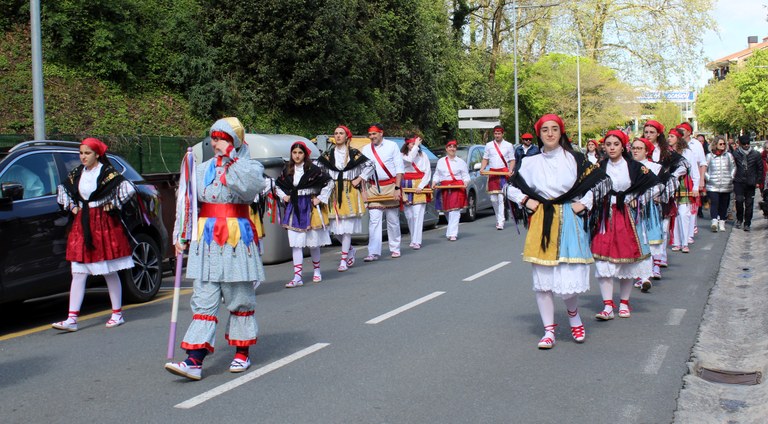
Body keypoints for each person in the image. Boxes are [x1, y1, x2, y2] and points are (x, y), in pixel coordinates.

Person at [165, 117, 265, 380]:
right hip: (206, 239)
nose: (215, 142)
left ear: (233, 141)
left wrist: (232, 160)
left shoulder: (248, 166)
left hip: (236, 237)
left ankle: (242, 352)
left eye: (221, 137)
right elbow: (186, 202)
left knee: (239, 296)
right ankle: (193, 360)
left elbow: (250, 189)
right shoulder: (202, 169)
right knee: (204, 298)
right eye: (214, 137)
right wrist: (181, 234)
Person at [505, 114, 609, 349]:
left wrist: (584, 203)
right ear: (539, 134)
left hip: (569, 219)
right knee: (543, 280)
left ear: (561, 132)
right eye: (545, 130)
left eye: (554, 129)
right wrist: (524, 199)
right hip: (543, 220)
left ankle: (574, 316)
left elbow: (601, 182)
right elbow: (509, 187)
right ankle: (548, 331)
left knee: (568, 274)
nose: (550, 134)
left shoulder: (576, 159)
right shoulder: (530, 162)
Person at [52, 138, 137, 332]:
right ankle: (72, 318)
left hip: (102, 223)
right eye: (81, 153)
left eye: (87, 153)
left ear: (97, 154)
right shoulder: (77, 173)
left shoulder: (107, 172)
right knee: (78, 271)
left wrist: (112, 204)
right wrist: (73, 208)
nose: (83, 157)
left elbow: (129, 188)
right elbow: (63, 189)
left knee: (108, 270)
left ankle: (117, 313)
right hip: (83, 223)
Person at [592, 130, 659, 319]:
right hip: (605, 216)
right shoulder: (599, 166)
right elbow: (587, 187)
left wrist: (639, 199)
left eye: (615, 144)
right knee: (603, 261)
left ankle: (624, 303)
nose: (612, 148)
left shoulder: (635, 167)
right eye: (608, 144)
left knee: (626, 262)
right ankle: (607, 306)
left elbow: (656, 185)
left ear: (623, 146)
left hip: (626, 216)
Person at [276, 141, 334, 287]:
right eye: (294, 153)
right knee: (296, 244)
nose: (297, 155)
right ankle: (297, 277)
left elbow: (329, 182)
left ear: (305, 154)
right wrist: (284, 196)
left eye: (300, 153)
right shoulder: (287, 170)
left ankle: (317, 271)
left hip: (309, 206)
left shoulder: (314, 170)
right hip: (294, 208)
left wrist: (320, 198)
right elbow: (277, 185)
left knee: (313, 243)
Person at [316, 125, 374, 271]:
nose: (338, 136)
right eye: (336, 133)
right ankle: (350, 250)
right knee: (334, 228)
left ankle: (343, 260)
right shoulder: (328, 154)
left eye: (341, 133)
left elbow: (371, 165)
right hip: (332, 191)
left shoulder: (353, 153)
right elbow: (317, 169)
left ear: (347, 136)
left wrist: (359, 178)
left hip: (349, 191)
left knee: (346, 227)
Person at [361, 123, 405, 261]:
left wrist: (397, 189)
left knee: (392, 219)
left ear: (381, 133)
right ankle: (373, 252)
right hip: (373, 187)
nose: (372, 136)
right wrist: (363, 191)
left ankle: (395, 247)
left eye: (374, 134)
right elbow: (362, 172)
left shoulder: (392, 146)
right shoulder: (365, 149)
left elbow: (399, 169)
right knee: (374, 220)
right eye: (370, 134)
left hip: (391, 185)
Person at [630, 137, 663, 291]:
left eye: (639, 148)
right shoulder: (627, 166)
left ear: (646, 151)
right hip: (630, 207)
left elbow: (659, 186)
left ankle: (645, 276)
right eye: (634, 147)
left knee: (647, 240)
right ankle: (639, 274)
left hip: (647, 207)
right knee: (635, 241)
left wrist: (642, 199)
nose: (635, 150)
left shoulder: (654, 168)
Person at [432, 140, 470, 241]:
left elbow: (465, 175)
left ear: (456, 149)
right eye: (450, 147)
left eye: (454, 147)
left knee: (455, 210)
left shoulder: (461, 162)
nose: (452, 149)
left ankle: (452, 233)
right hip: (443, 187)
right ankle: (451, 229)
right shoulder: (441, 161)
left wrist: (466, 182)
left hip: (456, 187)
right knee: (446, 211)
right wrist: (434, 182)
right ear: (446, 149)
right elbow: (437, 174)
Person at [668, 128, 698, 253]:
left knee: (684, 213)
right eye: (668, 136)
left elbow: (693, 170)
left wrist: (696, 186)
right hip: (670, 185)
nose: (669, 139)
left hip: (683, 184)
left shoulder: (687, 152)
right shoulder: (666, 152)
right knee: (673, 213)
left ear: (678, 138)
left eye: (672, 136)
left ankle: (685, 241)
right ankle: (676, 242)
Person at [480, 125, 515, 230]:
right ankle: (498, 218)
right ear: (493, 134)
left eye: (499, 133)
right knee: (493, 199)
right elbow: (485, 158)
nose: (497, 135)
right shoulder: (489, 145)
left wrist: (510, 171)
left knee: (500, 198)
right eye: (495, 133)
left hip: (503, 173)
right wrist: (482, 168)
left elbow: (512, 160)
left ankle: (501, 221)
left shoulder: (508, 145)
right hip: (493, 172)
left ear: (502, 134)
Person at [401, 133, 432, 249]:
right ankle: (413, 237)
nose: (415, 145)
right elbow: (409, 159)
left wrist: (422, 186)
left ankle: (416, 240)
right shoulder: (402, 155)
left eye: (416, 143)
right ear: (407, 144)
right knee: (409, 215)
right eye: (412, 144)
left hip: (420, 184)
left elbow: (428, 171)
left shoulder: (423, 155)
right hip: (407, 185)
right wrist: (415, 146)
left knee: (417, 214)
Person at [678, 123, 706, 241]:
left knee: (692, 207)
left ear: (689, 132)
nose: (681, 132)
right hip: (679, 180)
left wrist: (701, 180)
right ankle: (680, 235)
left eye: (683, 130)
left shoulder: (696, 144)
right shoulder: (676, 144)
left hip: (692, 178)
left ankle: (689, 233)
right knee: (681, 209)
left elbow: (702, 163)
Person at [732, 134, 764, 231]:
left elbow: (760, 169)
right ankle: (739, 219)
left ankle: (747, 223)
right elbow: (732, 166)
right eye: (744, 143)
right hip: (738, 181)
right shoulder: (736, 153)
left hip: (751, 182)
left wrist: (758, 181)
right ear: (740, 144)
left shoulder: (756, 154)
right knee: (739, 200)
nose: (746, 145)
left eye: (748, 143)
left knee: (749, 203)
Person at [705, 136, 735, 232]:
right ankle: (714, 221)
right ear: (715, 145)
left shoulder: (729, 156)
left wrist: (731, 177)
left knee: (724, 204)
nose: (722, 146)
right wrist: (708, 178)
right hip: (713, 185)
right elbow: (704, 169)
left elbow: (733, 167)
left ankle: (722, 221)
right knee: (714, 203)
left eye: (724, 144)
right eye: (720, 144)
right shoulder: (709, 156)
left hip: (726, 184)